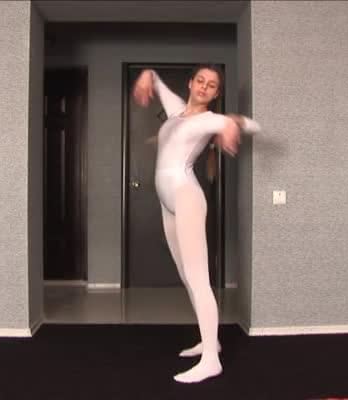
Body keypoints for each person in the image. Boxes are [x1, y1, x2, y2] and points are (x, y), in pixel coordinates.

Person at [132, 64, 261, 383]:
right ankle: (210, 341)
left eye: (212, 85)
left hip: (186, 197)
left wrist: (232, 122)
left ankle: (211, 362)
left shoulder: (208, 120)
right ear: (190, 83)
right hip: (167, 202)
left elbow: (253, 125)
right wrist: (147, 74)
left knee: (198, 278)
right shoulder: (176, 110)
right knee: (186, 276)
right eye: (200, 80)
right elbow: (156, 81)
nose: (204, 86)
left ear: (216, 94)